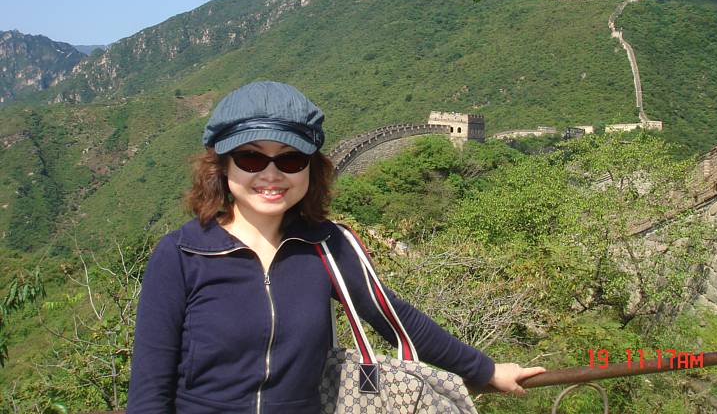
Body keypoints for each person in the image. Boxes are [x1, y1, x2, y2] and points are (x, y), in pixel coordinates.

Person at [127, 81, 544, 413]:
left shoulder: (327, 246)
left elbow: (396, 319)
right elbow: (150, 389)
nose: (271, 174)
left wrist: (486, 370)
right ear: (222, 166)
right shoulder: (182, 255)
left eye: (290, 160)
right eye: (251, 159)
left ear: (311, 168)